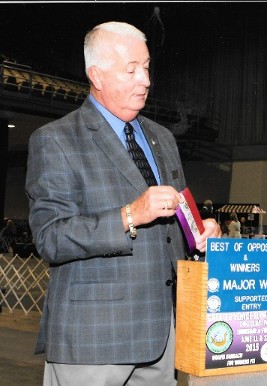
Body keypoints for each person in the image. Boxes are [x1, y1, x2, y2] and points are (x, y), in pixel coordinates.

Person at [25, 21, 221, 386]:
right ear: (96, 76)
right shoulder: (55, 140)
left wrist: (199, 232)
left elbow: (173, 222)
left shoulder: (162, 137)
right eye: (131, 70)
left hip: (162, 337)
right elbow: (50, 239)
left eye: (146, 67)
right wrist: (131, 215)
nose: (145, 80)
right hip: (93, 342)